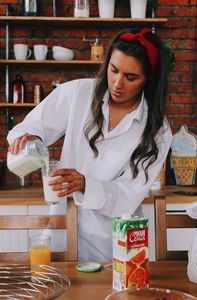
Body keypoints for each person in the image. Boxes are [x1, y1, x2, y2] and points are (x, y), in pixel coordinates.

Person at [7, 27, 172, 262]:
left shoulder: (157, 130)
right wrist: (30, 138)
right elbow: (26, 129)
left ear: (149, 79)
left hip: (115, 242)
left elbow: (128, 196)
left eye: (131, 77)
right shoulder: (80, 93)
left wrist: (85, 184)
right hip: (62, 230)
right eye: (113, 70)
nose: (117, 83)